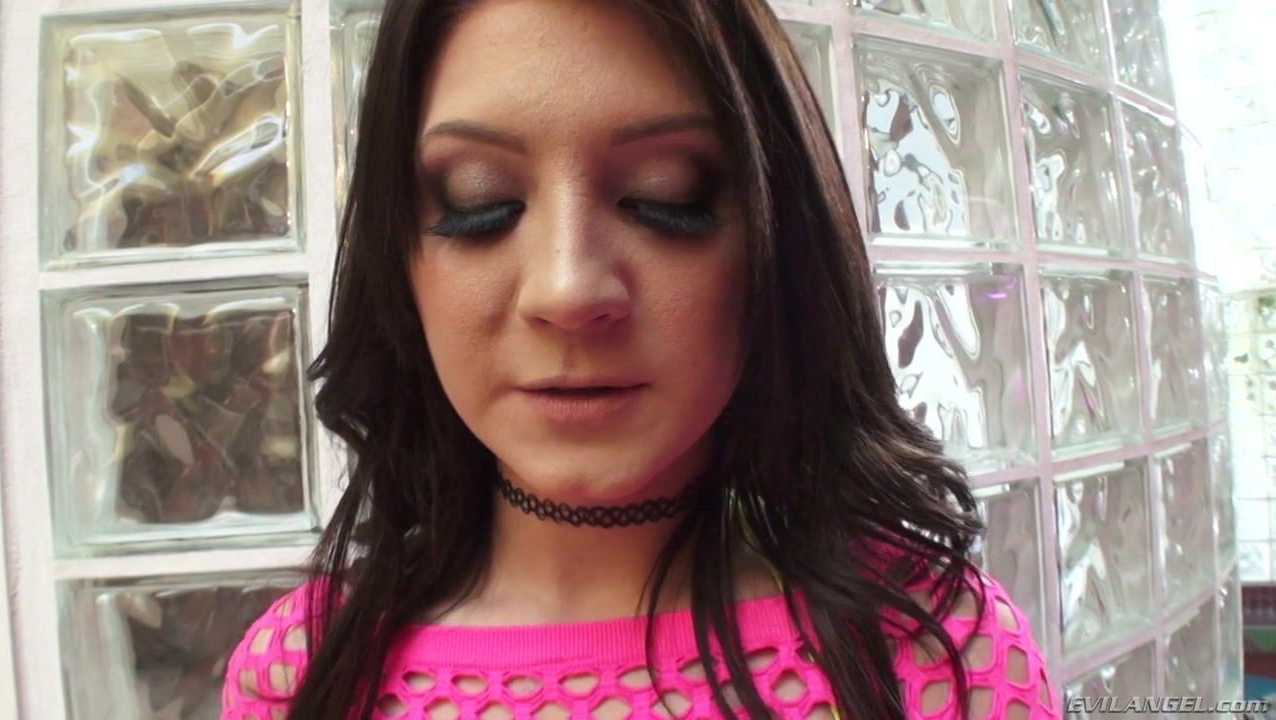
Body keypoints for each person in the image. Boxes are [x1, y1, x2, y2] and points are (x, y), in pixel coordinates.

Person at [221, 0, 1060, 718]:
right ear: (401, 261)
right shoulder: (304, 674)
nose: (568, 288)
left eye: (665, 197)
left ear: (775, 243)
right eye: (481, 202)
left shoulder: (937, 653)